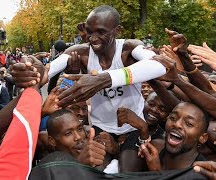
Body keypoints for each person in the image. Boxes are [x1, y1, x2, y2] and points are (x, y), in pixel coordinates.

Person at [11, 5, 167, 172]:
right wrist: (30, 70)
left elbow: (160, 64)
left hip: (131, 129)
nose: (93, 38)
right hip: (100, 128)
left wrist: (104, 79)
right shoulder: (81, 52)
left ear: (117, 31)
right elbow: (46, 71)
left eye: (101, 32)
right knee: (95, 172)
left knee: (128, 172)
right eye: (89, 31)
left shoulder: (128, 49)